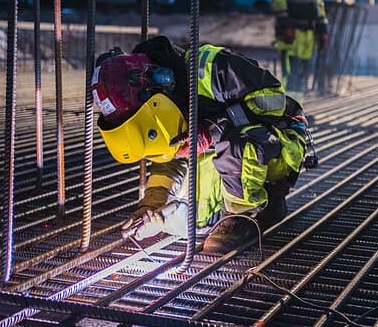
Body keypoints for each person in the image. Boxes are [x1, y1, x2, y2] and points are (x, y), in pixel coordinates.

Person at [91, 36, 308, 255]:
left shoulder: (210, 67)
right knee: (200, 218)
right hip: (228, 154)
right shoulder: (163, 100)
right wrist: (152, 205)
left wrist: (213, 128)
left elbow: (273, 101)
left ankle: (241, 219)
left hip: (278, 142)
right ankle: (268, 207)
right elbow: (168, 158)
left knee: (237, 145)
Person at [271, 0, 329, 101]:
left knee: (302, 76)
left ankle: (297, 109)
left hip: (309, 38)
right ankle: (286, 111)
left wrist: (323, 31)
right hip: (292, 36)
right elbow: (278, 1)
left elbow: (320, 8)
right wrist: (286, 26)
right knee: (291, 75)